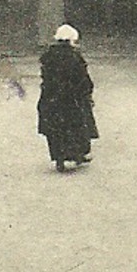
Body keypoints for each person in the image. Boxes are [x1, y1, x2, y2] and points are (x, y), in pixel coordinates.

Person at [38, 24, 97, 168]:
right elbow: (83, 80)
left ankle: (59, 156)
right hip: (73, 99)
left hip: (52, 98)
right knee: (77, 126)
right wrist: (87, 92)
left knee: (56, 128)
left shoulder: (48, 57)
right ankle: (78, 153)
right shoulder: (75, 58)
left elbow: (46, 78)